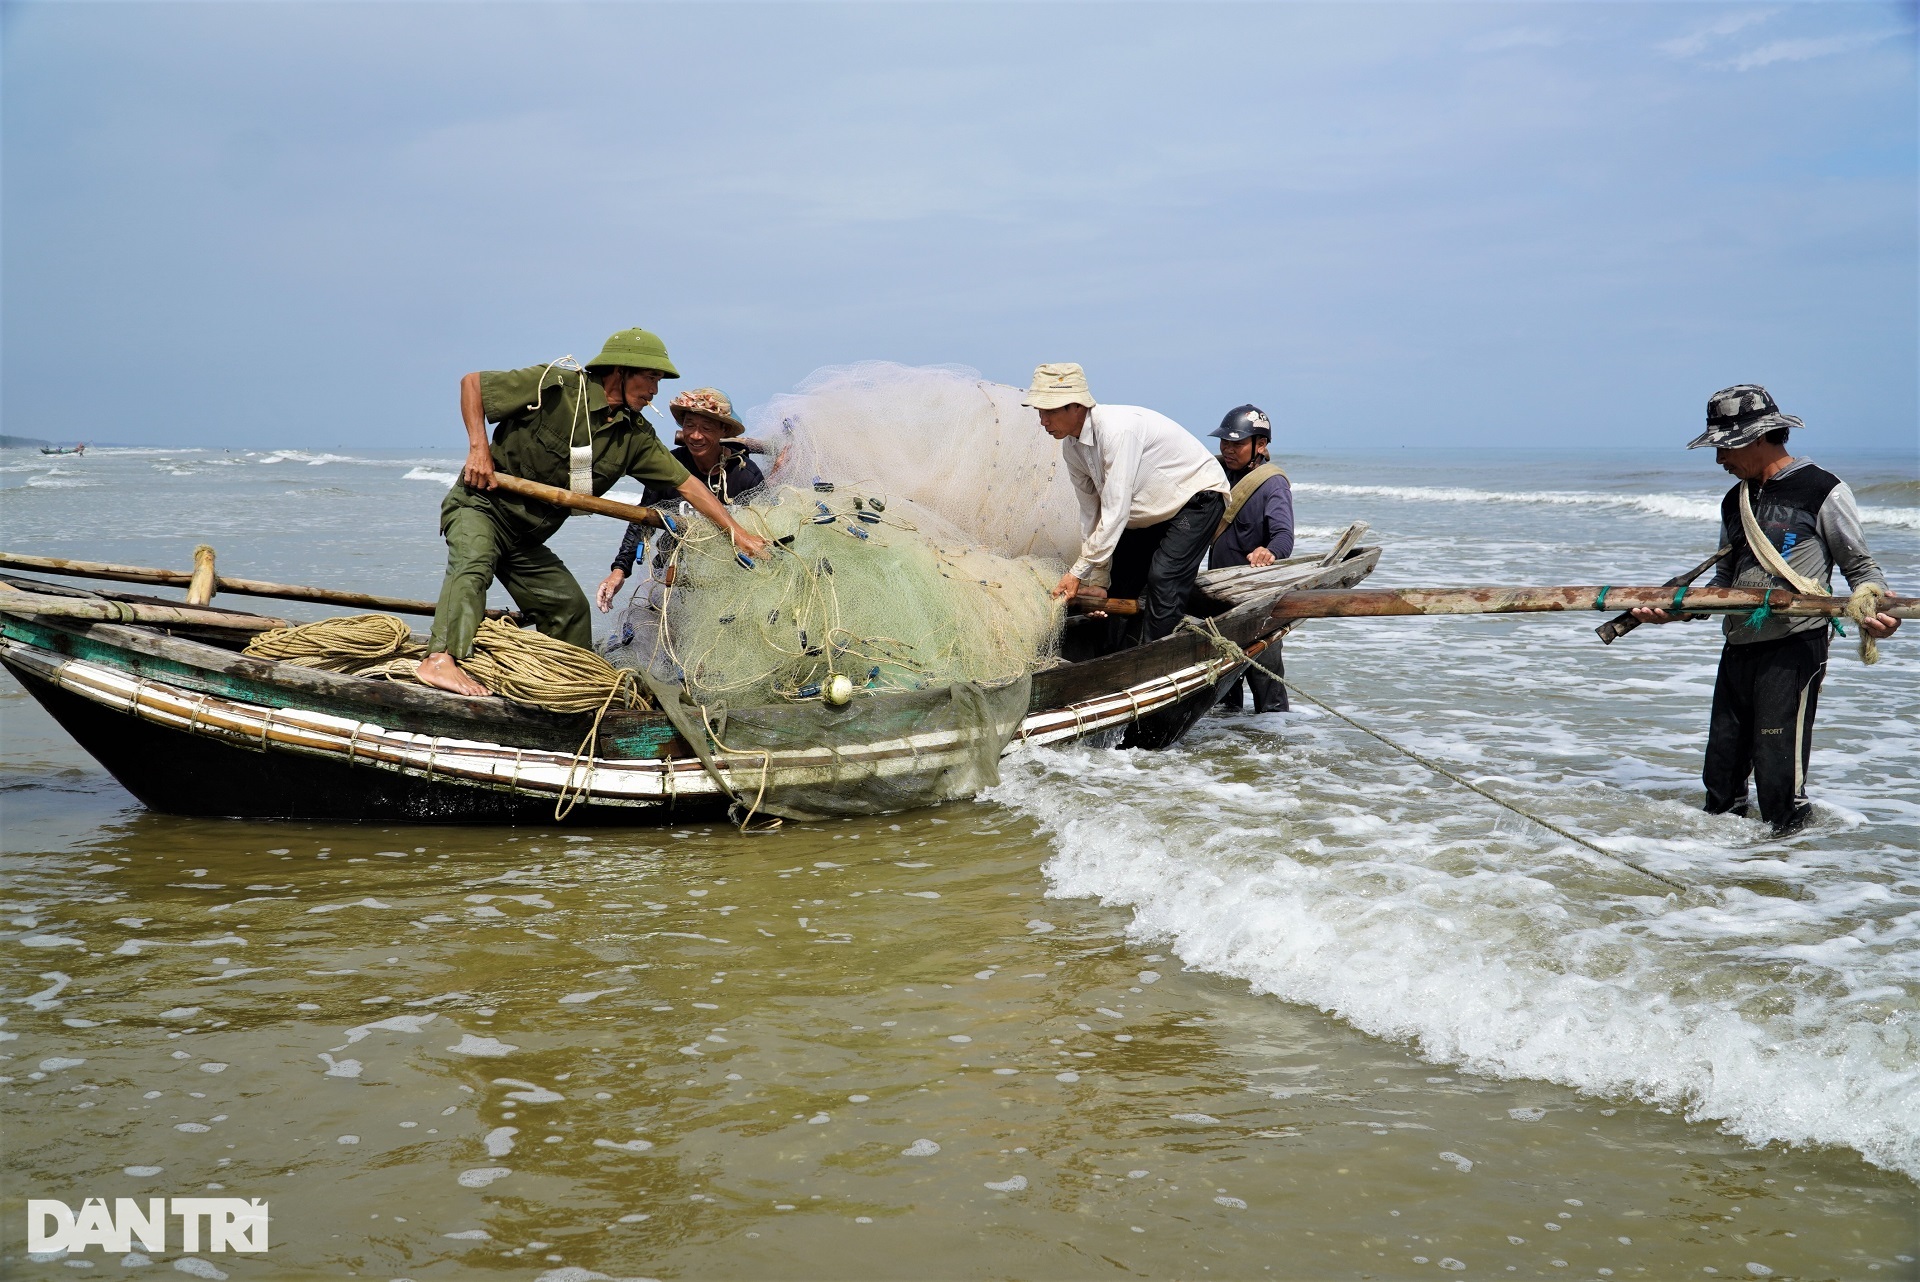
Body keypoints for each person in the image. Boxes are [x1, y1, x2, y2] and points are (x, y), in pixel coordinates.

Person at [417, 329, 769, 697]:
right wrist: (478, 449)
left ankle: (568, 689)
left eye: (658, 381)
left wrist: (738, 534)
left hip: (525, 538)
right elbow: (473, 384)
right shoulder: (557, 387)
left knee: (568, 607)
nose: (654, 391)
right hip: (482, 505)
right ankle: (439, 660)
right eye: (650, 378)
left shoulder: (634, 436)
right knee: (472, 563)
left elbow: (687, 486)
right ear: (620, 371)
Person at [1630, 384, 1900, 836]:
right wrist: (1675, 611)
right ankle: (1725, 881)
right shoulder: (1735, 500)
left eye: (1725, 447)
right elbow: (1724, 585)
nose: (1719, 460)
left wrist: (1878, 612)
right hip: (1739, 646)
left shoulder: (1822, 489)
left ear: (1757, 438)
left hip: (1793, 649)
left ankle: (1789, 880)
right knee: (1721, 776)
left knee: (1780, 785)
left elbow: (1861, 567)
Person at [1026, 362, 1229, 647]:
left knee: (1164, 577)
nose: (1042, 420)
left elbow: (1115, 510)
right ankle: (1113, 657)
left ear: (1076, 406)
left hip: (1197, 499)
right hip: (1149, 511)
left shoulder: (1117, 431)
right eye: (1039, 411)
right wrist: (1096, 580)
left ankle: (1155, 660)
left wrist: (1076, 573)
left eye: (1049, 411)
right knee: (1119, 583)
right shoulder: (1071, 447)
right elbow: (1090, 513)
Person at [595, 386, 766, 612]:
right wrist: (619, 570)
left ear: (724, 431)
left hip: (729, 578)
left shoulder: (745, 474)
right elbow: (642, 520)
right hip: (673, 575)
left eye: (706, 428)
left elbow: (765, 529)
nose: (695, 436)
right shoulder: (670, 468)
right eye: (689, 426)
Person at [1208, 404, 1294, 712]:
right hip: (1218, 599)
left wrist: (1269, 551)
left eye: (1237, 443)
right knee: (1223, 701)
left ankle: (1275, 751)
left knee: (1268, 692)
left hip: (1256, 600)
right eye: (1224, 442)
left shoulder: (1273, 483)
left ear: (1261, 445)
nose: (1228, 449)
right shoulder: (1216, 475)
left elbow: (1284, 535)